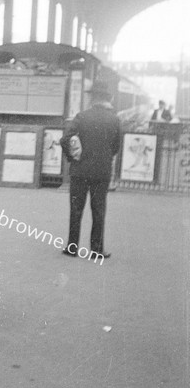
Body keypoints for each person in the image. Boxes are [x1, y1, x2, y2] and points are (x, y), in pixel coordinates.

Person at [60, 80, 121, 259]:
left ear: (92, 98)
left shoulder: (81, 116)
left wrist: (73, 156)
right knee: (99, 210)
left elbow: (65, 139)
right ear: (107, 99)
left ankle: (72, 247)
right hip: (102, 171)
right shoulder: (115, 119)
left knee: (76, 209)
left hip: (80, 170)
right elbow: (116, 146)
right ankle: (96, 249)